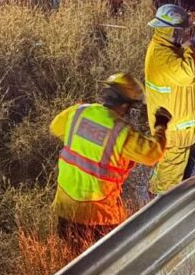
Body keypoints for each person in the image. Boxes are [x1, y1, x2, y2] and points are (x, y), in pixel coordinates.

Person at [50, 72, 171, 246]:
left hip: (65, 210)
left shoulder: (77, 112)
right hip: (96, 217)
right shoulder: (120, 131)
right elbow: (152, 154)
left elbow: (55, 127)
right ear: (124, 105)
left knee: (71, 263)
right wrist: (161, 125)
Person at [144, 3, 195, 194]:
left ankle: (151, 196)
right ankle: (160, 218)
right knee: (167, 188)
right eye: (182, 31)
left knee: (164, 171)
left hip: (171, 129)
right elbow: (188, 74)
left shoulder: (162, 47)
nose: (184, 34)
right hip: (175, 134)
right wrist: (189, 48)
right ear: (173, 31)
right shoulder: (162, 56)